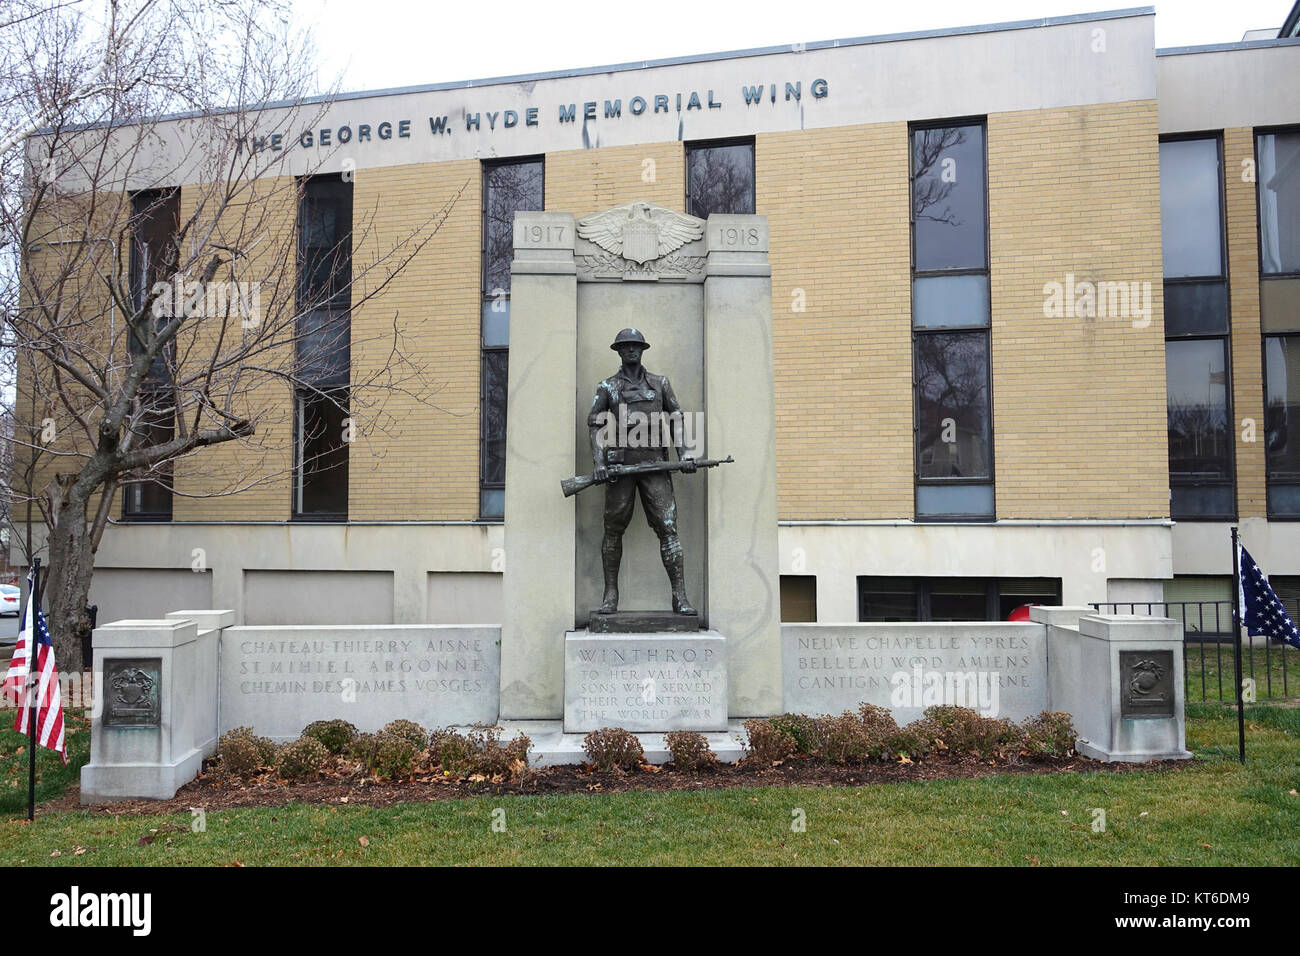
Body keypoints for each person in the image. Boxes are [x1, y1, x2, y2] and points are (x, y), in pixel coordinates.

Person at [587, 328, 696, 615]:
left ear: (643, 349)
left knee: (668, 529)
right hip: (620, 468)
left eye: (636, 346)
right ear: (619, 351)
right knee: (613, 529)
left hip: (655, 467)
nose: (631, 350)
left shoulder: (660, 383)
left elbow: (676, 418)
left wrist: (684, 453)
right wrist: (598, 463)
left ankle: (680, 597)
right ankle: (610, 595)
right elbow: (595, 424)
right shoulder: (607, 386)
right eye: (626, 346)